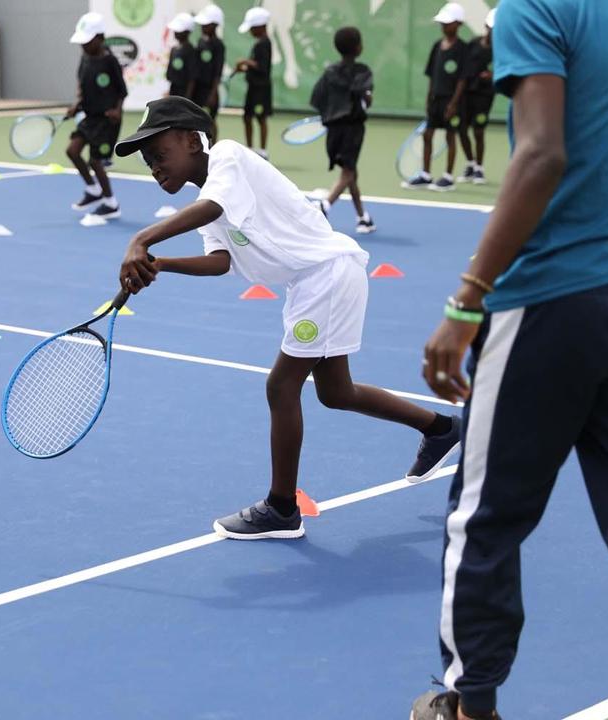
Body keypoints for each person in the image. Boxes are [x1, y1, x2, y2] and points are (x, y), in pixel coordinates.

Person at [410, 0, 608, 716]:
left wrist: (466, 302)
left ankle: (468, 702)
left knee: (485, 514)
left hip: (557, 297)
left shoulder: (538, 6)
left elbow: (543, 152)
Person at [113, 97, 462, 541]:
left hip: (326, 275)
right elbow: (220, 261)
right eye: (148, 163)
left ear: (191, 140)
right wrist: (160, 264)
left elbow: (215, 207)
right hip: (314, 282)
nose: (155, 168)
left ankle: (281, 508)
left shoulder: (228, 158)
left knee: (281, 385)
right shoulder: (209, 198)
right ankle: (442, 428)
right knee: (336, 392)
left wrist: (141, 239)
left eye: (159, 155)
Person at [309, 26, 375, 234]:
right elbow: (365, 97)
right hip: (353, 128)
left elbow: (317, 98)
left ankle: (362, 217)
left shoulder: (329, 72)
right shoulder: (363, 71)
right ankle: (325, 205)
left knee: (351, 170)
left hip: (334, 130)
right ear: (359, 48)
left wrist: (329, 116)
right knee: (348, 171)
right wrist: (366, 98)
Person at [65, 12, 127, 220]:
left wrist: (118, 110)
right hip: (89, 117)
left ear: (100, 38)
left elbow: (122, 90)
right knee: (72, 151)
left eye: (87, 41)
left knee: (95, 161)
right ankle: (93, 191)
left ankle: (111, 203)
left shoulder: (110, 61)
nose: (83, 46)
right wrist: (77, 105)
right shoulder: (85, 58)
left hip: (107, 119)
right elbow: (81, 84)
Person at [402, 2, 469, 192]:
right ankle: (425, 175)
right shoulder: (437, 46)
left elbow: (462, 80)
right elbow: (432, 75)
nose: (443, 26)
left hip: (452, 102)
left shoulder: (463, 49)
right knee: (428, 135)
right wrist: (428, 98)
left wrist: (453, 104)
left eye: (447, 23)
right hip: (436, 101)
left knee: (450, 136)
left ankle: (448, 177)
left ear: (458, 24)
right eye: (442, 23)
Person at [457, 8, 496, 184]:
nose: (492, 32)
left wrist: (492, 76)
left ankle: (479, 169)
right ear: (485, 27)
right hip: (467, 94)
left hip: (485, 96)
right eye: (490, 28)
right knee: (462, 129)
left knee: (478, 131)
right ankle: (470, 164)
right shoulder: (472, 44)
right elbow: (463, 70)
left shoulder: (501, 49)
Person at [235, 7, 273, 159]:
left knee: (260, 118)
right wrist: (244, 69)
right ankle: (250, 148)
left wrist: (245, 62)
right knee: (247, 117)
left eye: (252, 28)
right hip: (253, 88)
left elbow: (262, 67)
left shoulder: (264, 43)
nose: (250, 31)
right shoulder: (259, 43)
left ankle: (263, 150)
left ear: (261, 27)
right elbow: (256, 66)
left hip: (261, 90)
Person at [190, 4, 226, 142]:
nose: (202, 27)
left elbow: (218, 72)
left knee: (211, 120)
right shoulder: (200, 41)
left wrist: (213, 94)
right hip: (197, 89)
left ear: (215, 25)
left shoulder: (219, 45)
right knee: (195, 119)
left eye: (206, 24)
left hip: (210, 89)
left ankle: (214, 147)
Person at [165, 13, 199, 99]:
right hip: (174, 90)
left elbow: (192, 77)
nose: (175, 33)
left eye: (179, 30)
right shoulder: (174, 49)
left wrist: (188, 96)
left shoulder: (191, 51)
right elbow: (170, 74)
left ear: (187, 32)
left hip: (184, 93)